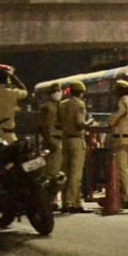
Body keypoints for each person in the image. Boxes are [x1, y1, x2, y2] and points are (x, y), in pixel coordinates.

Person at [58, 80, 89, 213]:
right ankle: (74, 203)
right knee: (76, 173)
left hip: (64, 140)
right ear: (81, 93)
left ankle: (65, 201)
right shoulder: (79, 105)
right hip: (77, 139)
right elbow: (80, 123)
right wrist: (90, 123)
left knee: (65, 171)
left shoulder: (62, 104)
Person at [108, 79, 128, 208]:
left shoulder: (123, 102)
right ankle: (124, 196)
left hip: (120, 137)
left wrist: (111, 120)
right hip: (125, 136)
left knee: (121, 169)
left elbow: (115, 119)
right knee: (123, 168)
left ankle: (125, 197)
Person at [37, 85, 63, 205]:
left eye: (58, 91)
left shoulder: (60, 105)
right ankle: (49, 199)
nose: (57, 93)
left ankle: (53, 198)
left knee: (56, 170)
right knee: (50, 171)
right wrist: (49, 140)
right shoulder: (46, 107)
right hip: (52, 140)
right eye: (54, 91)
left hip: (59, 139)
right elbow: (44, 126)